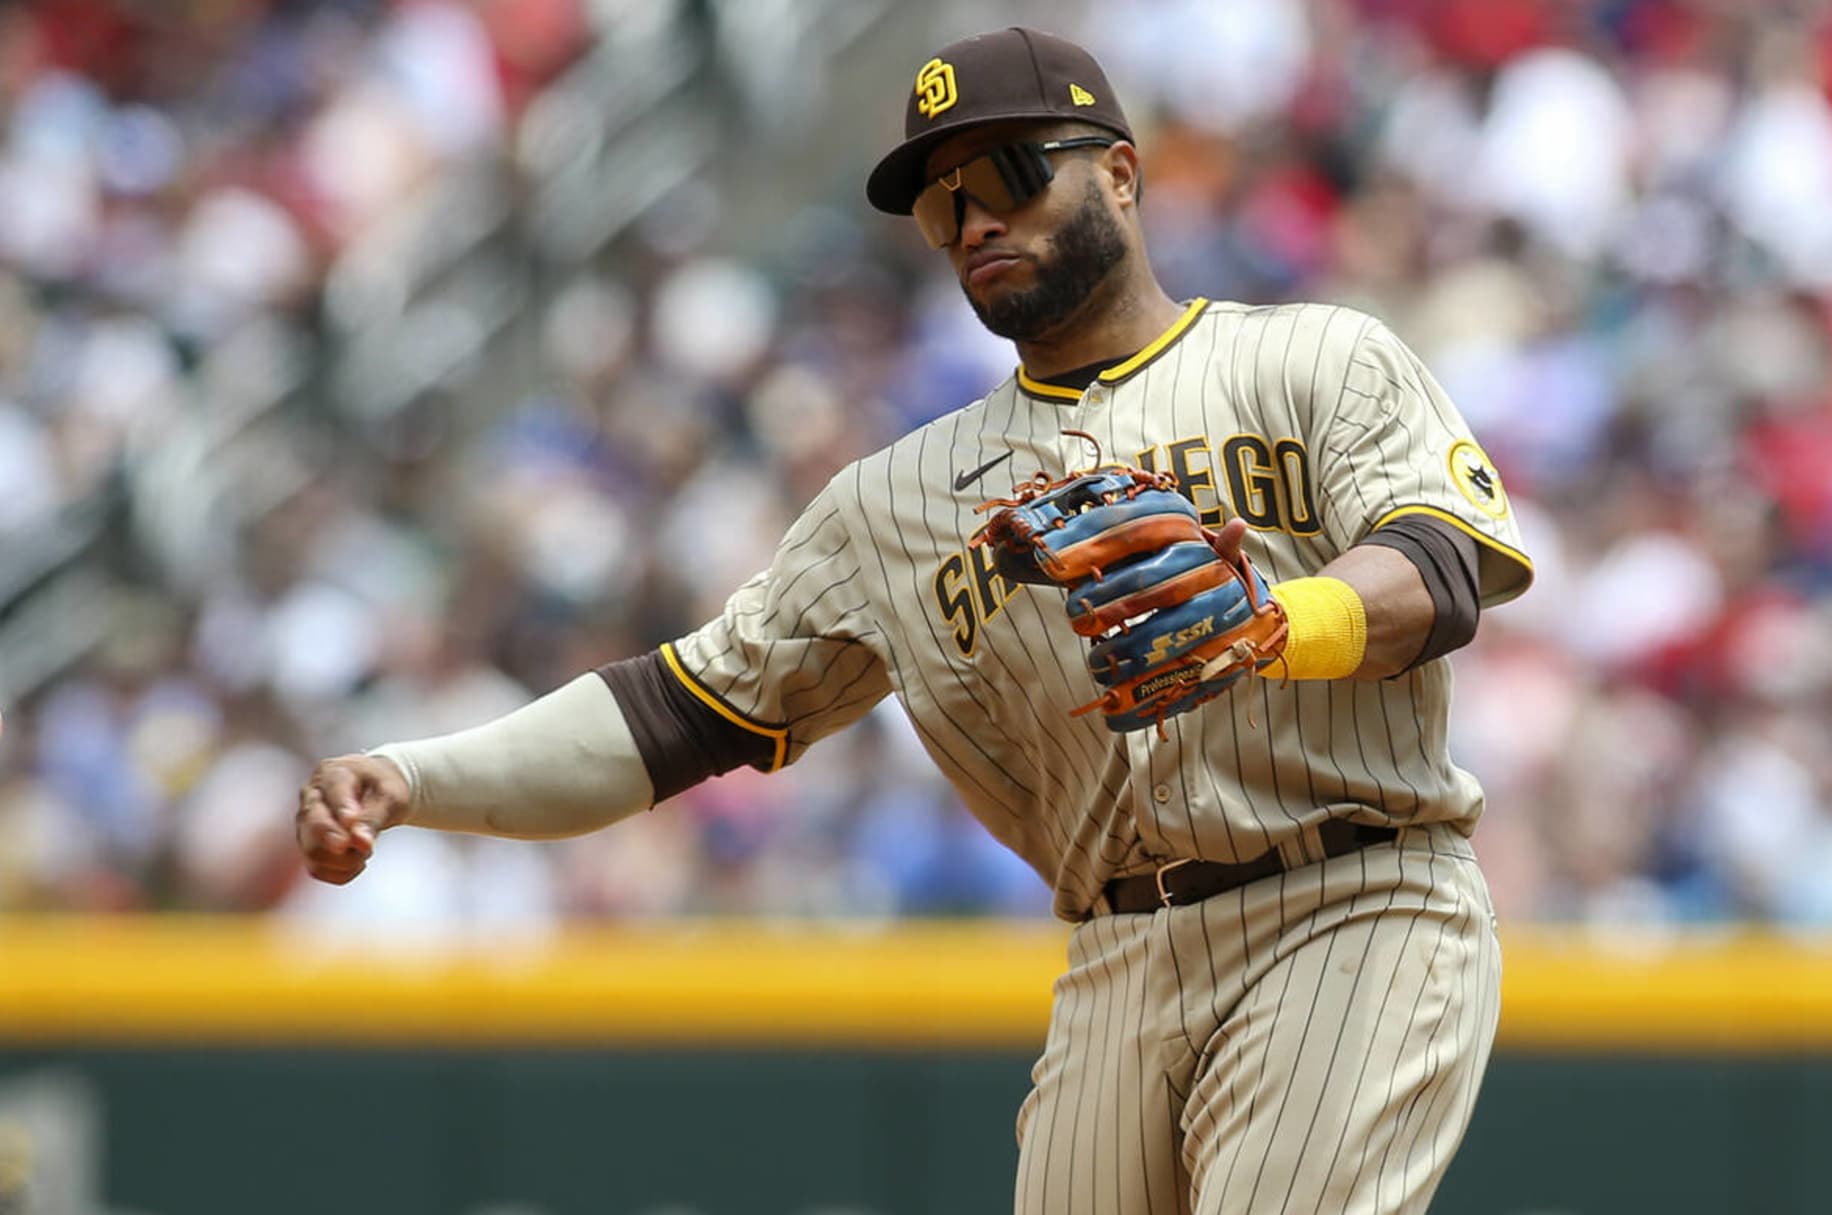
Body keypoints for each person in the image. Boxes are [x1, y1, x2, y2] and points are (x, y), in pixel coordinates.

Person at [295, 27, 1533, 1214]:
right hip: (1118, 955)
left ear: (1121, 172)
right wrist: (413, 777)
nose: (974, 219)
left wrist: (1277, 619)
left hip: (1355, 899)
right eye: (940, 203)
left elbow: (1441, 568)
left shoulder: (1315, 360)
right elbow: (678, 713)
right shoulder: (893, 503)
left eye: (1005, 172)